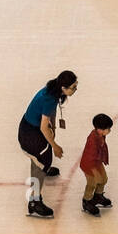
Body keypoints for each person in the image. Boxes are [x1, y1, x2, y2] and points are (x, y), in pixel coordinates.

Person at [18, 70, 78, 219]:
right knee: (41, 162)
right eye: (73, 87)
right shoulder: (50, 98)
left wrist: (54, 127)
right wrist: (55, 145)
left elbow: (50, 114)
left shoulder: (54, 89)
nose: (75, 90)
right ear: (63, 88)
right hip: (31, 134)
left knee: (42, 159)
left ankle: (42, 167)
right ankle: (34, 202)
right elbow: (43, 127)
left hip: (30, 127)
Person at [80, 114, 115, 216]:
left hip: (97, 162)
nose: (109, 131)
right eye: (108, 129)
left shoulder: (101, 135)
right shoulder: (92, 140)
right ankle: (86, 201)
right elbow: (90, 157)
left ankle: (98, 196)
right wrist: (94, 171)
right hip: (89, 165)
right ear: (100, 129)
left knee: (103, 179)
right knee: (92, 183)